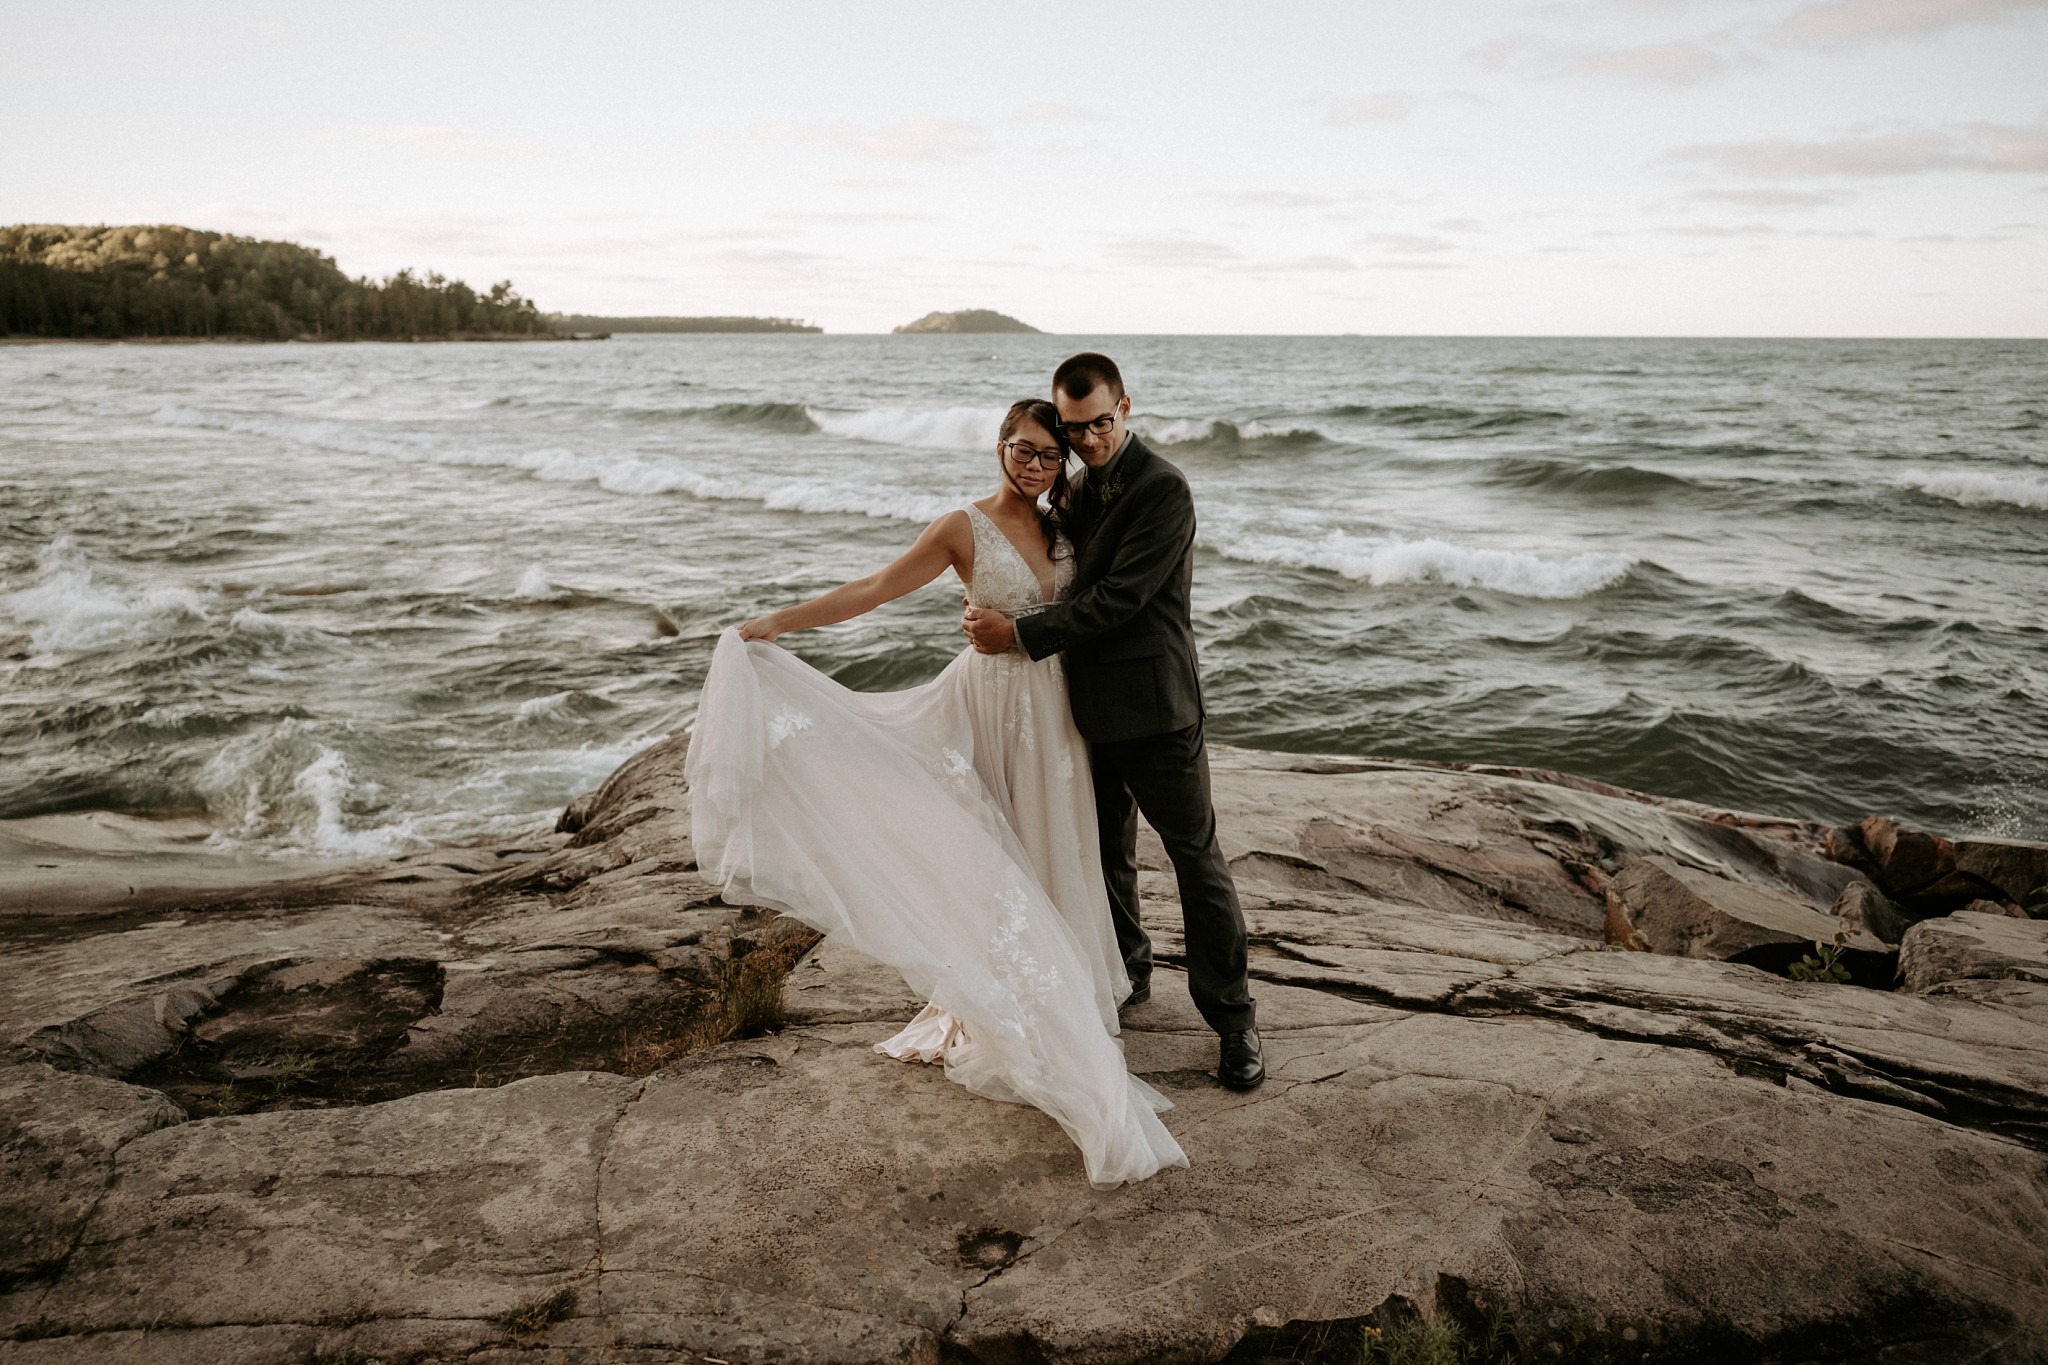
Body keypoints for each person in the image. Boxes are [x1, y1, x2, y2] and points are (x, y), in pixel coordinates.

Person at [685, 398, 1187, 1188]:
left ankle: (1069, 995)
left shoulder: (1068, 522)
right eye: (1023, 450)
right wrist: (780, 621)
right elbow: (879, 586)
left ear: (1064, 463)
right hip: (989, 705)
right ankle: (996, 1002)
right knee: (995, 854)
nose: (1035, 465)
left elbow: (1101, 603)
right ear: (999, 447)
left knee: (1058, 845)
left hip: (1056, 711)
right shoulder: (963, 525)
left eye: (1050, 455)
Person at [963, 353, 1262, 1091]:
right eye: (1074, 430)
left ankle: (1234, 1020)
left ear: (1126, 408)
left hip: (1158, 711)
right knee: (1105, 856)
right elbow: (1039, 564)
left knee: (1197, 860)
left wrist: (1022, 635)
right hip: (1080, 711)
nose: (1089, 440)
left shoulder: (1165, 490)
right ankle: (1128, 970)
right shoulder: (1072, 494)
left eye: (1100, 423)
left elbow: (1121, 599)